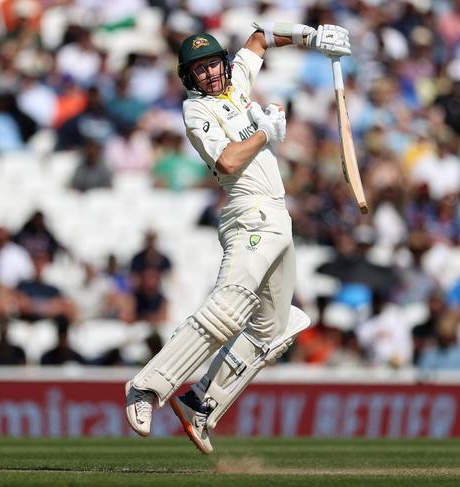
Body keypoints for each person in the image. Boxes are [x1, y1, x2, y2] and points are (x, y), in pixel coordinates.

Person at [124, 24, 351, 454]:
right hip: (248, 215)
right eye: (199, 71)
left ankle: (200, 405)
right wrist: (265, 132)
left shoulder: (239, 81)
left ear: (223, 64)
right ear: (188, 79)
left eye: (212, 64)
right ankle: (147, 388)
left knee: (275, 327)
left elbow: (261, 38)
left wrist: (313, 38)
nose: (208, 75)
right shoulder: (196, 113)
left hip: (279, 218)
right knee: (230, 305)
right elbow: (228, 162)